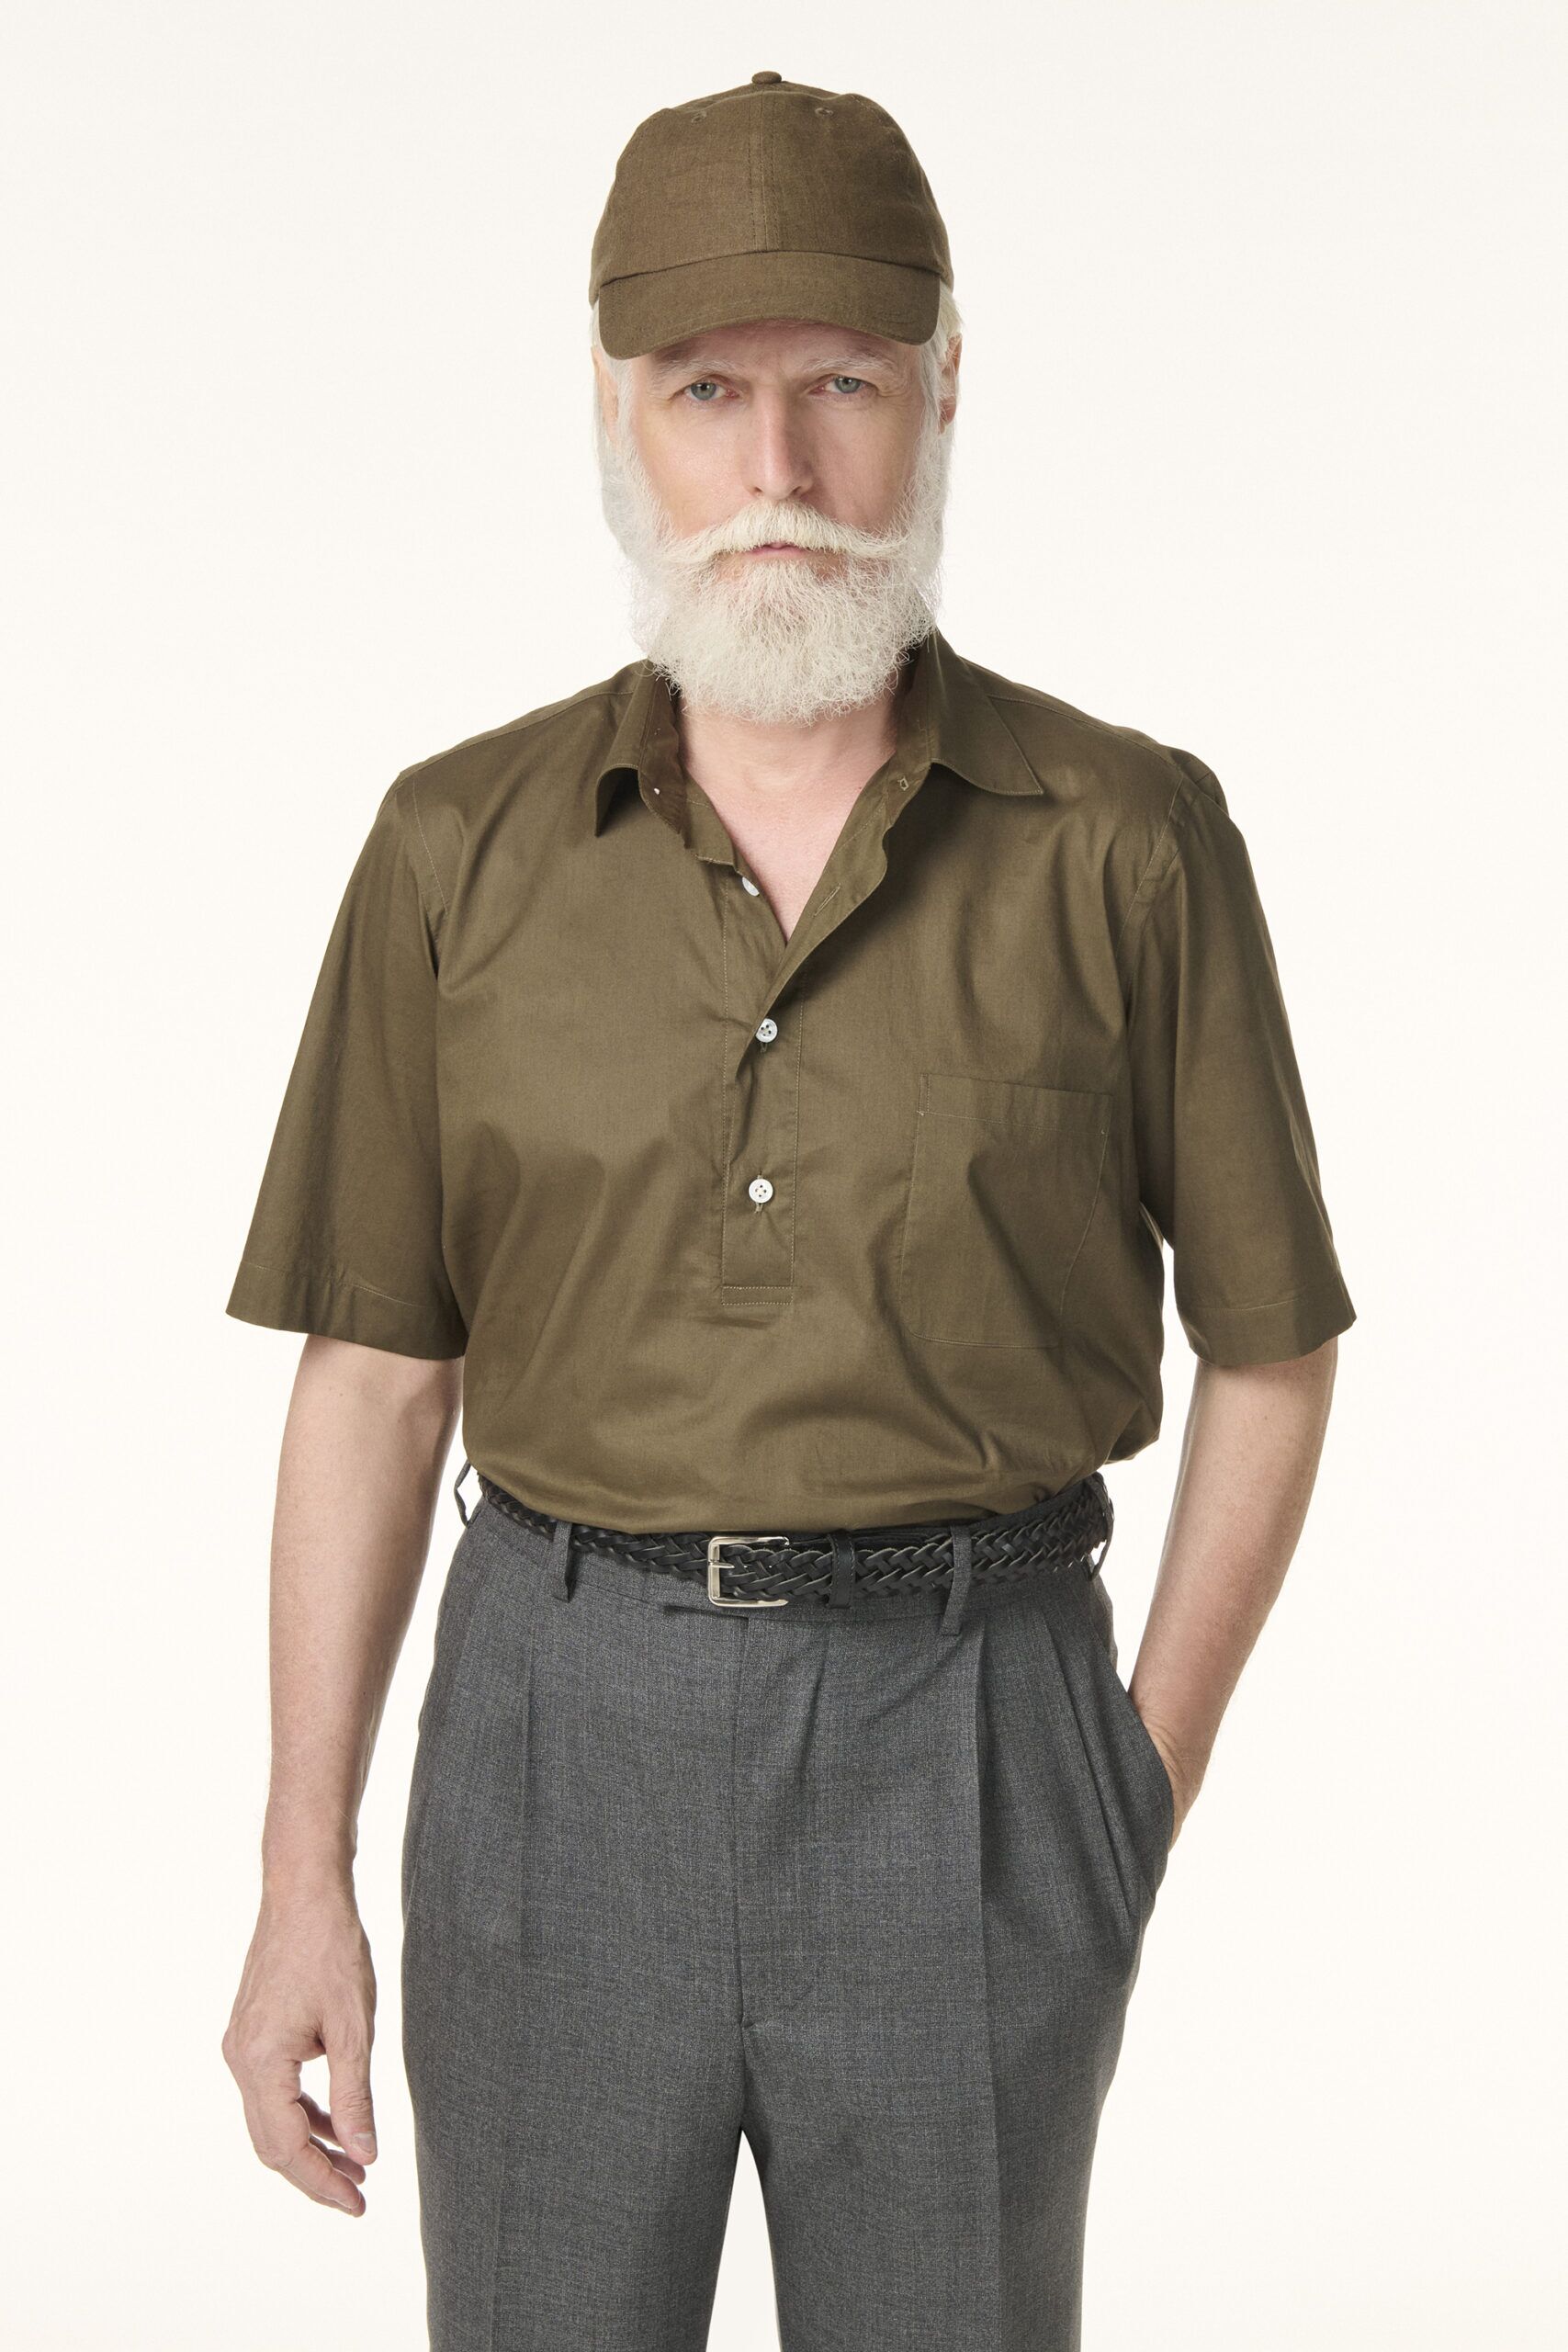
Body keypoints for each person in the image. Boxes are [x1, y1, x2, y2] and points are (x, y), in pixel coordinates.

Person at [220, 69, 1356, 2352]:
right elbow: (375, 1372)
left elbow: (1270, 1348)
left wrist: (1121, 1790)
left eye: (841, 383)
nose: (778, 470)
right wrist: (296, 1865)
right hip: (554, 1741)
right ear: (614, 410)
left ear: (942, 389)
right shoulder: (454, 849)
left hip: (973, 1733)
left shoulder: (1127, 840)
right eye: (706, 392)